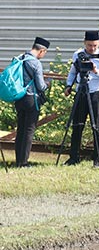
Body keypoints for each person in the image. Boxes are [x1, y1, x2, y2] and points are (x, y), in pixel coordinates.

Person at [64, 30, 99, 168]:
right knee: (77, 125)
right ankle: (74, 157)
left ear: (98, 44)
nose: (92, 48)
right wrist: (69, 85)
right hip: (81, 91)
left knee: (97, 127)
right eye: (89, 45)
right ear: (84, 43)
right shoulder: (78, 55)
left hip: (96, 93)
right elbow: (73, 72)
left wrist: (95, 71)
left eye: (94, 45)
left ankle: (97, 160)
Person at [13, 37, 50, 167]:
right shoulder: (35, 63)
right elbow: (40, 86)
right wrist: (47, 84)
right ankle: (23, 162)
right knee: (29, 130)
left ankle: (18, 160)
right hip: (31, 99)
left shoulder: (20, 58)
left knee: (21, 129)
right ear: (42, 51)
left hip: (19, 98)